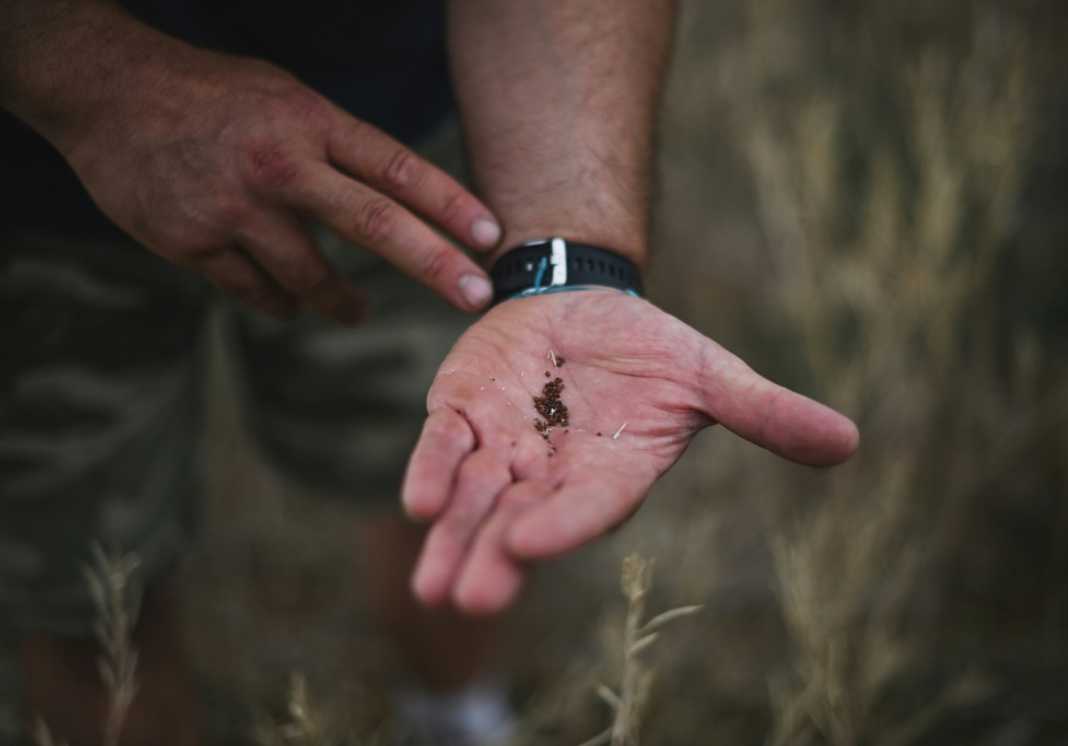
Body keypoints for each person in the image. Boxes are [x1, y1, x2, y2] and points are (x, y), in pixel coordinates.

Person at [0, 1, 860, 743]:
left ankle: (456, 712)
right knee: (86, 589)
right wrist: (92, 81)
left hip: (398, 135)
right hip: (31, 197)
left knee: (450, 471)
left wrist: (575, 265)